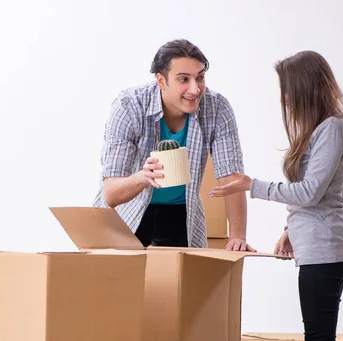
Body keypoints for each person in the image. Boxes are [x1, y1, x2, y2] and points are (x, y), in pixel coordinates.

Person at [209, 50, 343, 341]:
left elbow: (310, 191)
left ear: (305, 87)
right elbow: (318, 193)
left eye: (287, 91)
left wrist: (252, 185)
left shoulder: (332, 128)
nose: (285, 100)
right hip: (318, 248)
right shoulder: (320, 129)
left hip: (327, 250)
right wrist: (292, 229)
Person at [92, 39, 255, 251]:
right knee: (121, 280)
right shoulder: (129, 106)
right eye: (183, 79)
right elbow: (111, 193)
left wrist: (238, 236)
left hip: (182, 212)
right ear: (161, 81)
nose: (195, 89)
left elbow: (231, 178)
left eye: (200, 77)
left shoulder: (217, 108)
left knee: (184, 281)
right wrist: (144, 176)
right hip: (129, 209)